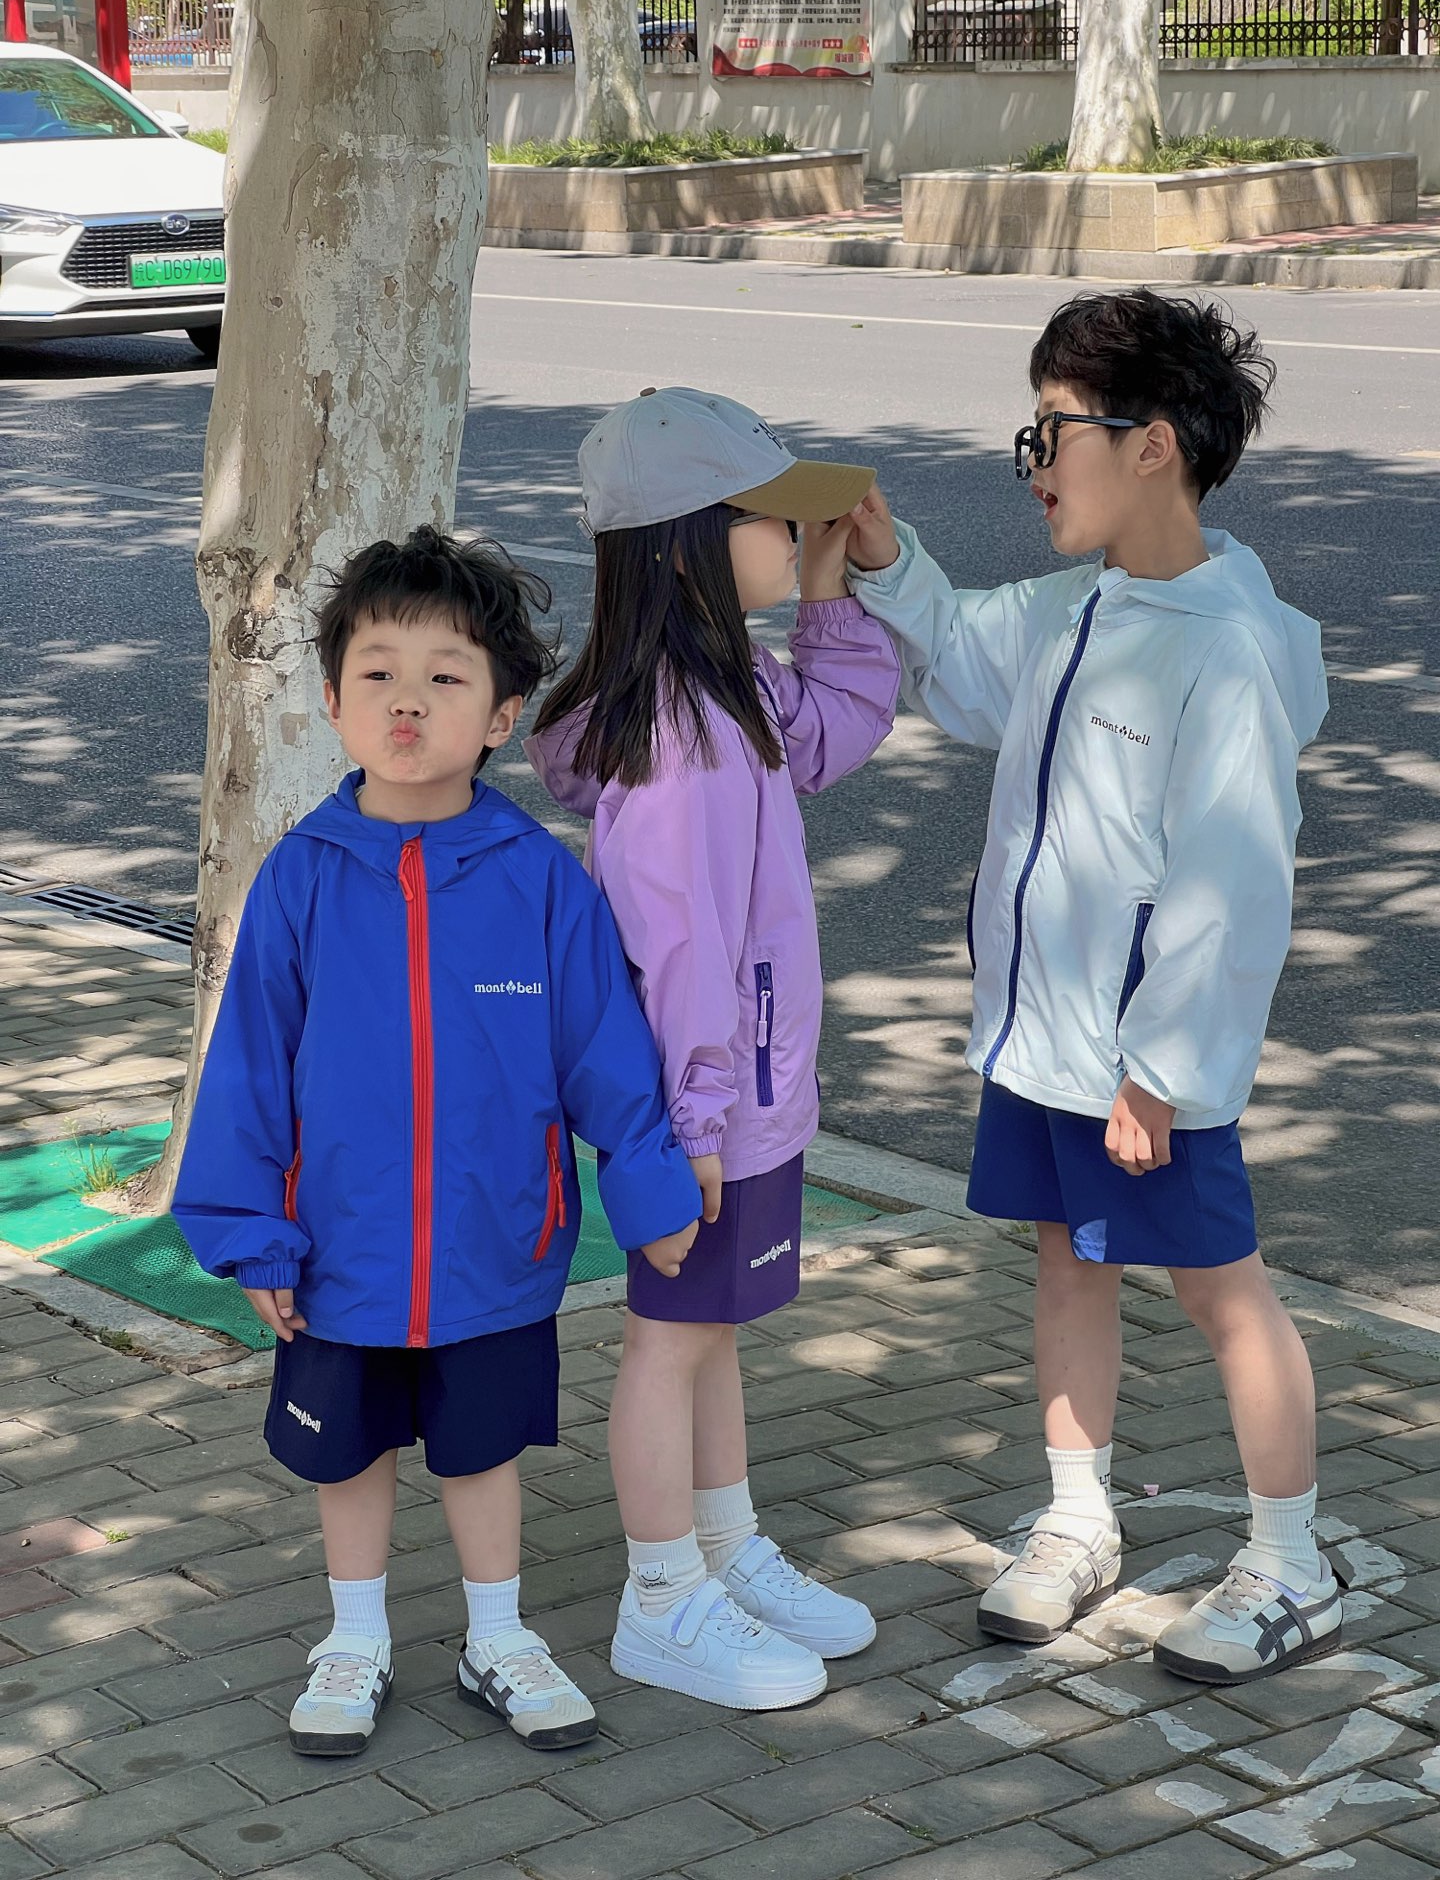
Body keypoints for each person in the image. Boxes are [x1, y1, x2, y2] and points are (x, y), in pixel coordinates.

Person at [836, 290, 1336, 1686]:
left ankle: (1292, 1561)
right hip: (1045, 1039)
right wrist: (886, 560)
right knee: (1068, 1259)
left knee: (1221, 1289)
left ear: (1153, 444)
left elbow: (1232, 886)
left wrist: (1160, 1071)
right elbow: (965, 661)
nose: (1036, 465)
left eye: (1053, 433)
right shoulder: (1076, 605)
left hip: (1141, 1062)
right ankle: (1075, 1518)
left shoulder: (1221, 646)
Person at [173, 527, 701, 1758]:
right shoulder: (301, 877)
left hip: (493, 1245)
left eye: (446, 676)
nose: (408, 701)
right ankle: (354, 1640)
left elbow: (604, 1051)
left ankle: (496, 1638)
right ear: (333, 700)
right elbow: (248, 1067)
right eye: (379, 673)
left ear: (502, 714)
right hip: (338, 1251)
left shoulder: (538, 880)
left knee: (479, 1452)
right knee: (347, 1455)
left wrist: (650, 1185)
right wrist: (253, 1232)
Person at [526, 387, 899, 1709]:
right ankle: (661, 1597)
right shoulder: (683, 745)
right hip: (705, 1110)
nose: (796, 532)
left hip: (737, 1097)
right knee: (671, 1339)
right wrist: (689, 1132)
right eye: (771, 516)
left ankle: (725, 1551)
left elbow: (838, 727)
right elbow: (679, 957)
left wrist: (827, 589)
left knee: (715, 1327)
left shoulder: (720, 692)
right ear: (689, 543)